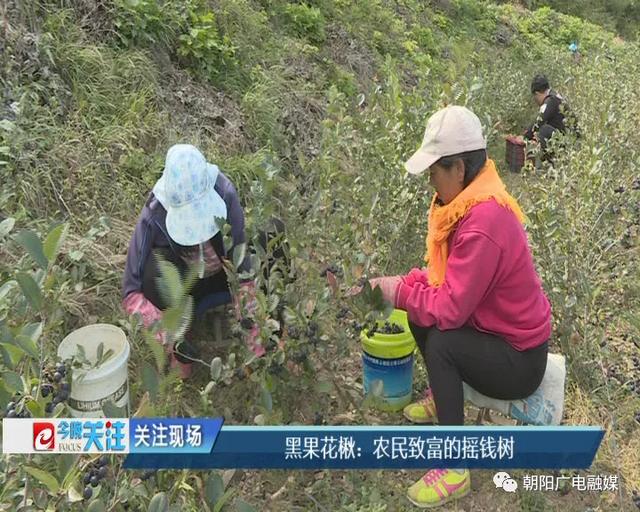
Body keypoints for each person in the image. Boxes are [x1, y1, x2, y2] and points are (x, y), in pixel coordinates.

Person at [364, 106, 552, 508]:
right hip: (492, 332)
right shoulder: (468, 205)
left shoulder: (483, 222)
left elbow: (450, 309)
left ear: (459, 170)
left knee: (443, 342)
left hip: (519, 360)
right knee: (420, 312)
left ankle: (455, 467)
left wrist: (398, 292)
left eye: (434, 171)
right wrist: (400, 284)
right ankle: (443, 396)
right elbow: (441, 281)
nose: (430, 181)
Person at [122, 144, 263, 378]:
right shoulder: (154, 213)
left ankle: (275, 336)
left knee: (270, 234)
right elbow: (131, 292)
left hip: (223, 277)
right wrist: (171, 336)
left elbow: (242, 265)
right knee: (154, 270)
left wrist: (255, 337)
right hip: (187, 288)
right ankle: (182, 357)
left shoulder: (224, 192)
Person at [523, 74, 573, 161]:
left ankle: (543, 163)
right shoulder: (555, 96)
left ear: (537, 93)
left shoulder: (551, 100)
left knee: (543, 130)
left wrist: (525, 137)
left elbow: (539, 121)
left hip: (568, 142)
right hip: (569, 138)